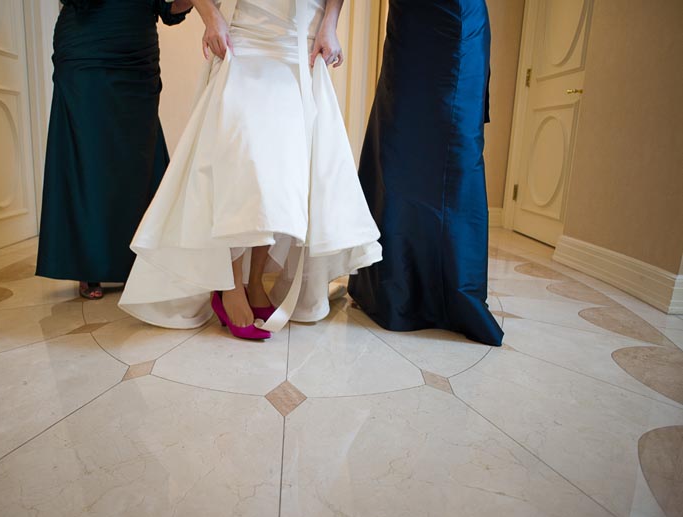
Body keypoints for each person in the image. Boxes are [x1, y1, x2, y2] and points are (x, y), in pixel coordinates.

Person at [118, 0, 382, 340]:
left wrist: (330, 22)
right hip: (248, 33)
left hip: (298, 38)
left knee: (278, 176)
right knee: (241, 164)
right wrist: (211, 16)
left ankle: (254, 282)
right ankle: (228, 287)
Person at [349, 0, 504, 346]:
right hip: (407, 23)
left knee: (456, 151)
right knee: (396, 143)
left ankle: (453, 290)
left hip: (456, 22)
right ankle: (391, 289)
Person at [36, 0, 192, 300]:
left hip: (136, 51)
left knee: (137, 160)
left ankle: (139, 257)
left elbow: (167, 8)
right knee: (88, 156)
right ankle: (88, 264)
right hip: (87, 43)